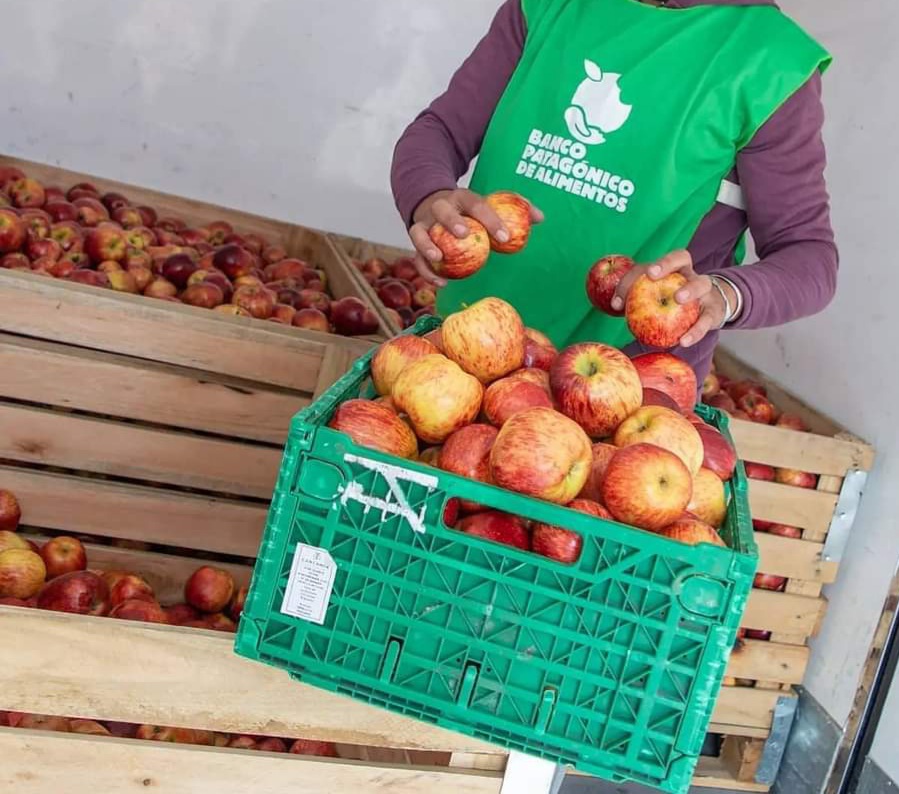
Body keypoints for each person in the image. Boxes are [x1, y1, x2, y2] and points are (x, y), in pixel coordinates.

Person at [391, 0, 838, 383]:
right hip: (462, 351)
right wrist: (430, 199)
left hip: (629, 398)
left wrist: (724, 293)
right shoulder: (546, 6)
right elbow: (440, 130)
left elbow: (808, 255)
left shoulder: (771, 62)